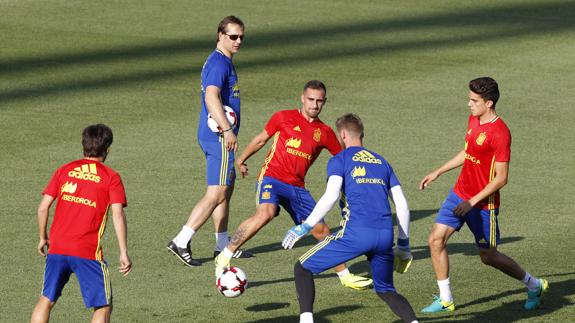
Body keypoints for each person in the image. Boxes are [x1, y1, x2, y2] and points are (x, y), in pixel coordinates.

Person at [215, 80, 373, 290]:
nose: (314, 105)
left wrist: (365, 173)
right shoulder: (283, 117)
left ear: (324, 102)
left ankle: (345, 275)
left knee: (321, 229)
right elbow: (261, 139)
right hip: (271, 178)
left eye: (319, 101)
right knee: (266, 213)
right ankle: (225, 256)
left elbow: (344, 157)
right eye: (310, 100)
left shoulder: (324, 132)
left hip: (297, 188)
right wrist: (241, 159)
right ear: (302, 98)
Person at [419, 77, 548, 313]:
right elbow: (468, 151)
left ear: (488, 103)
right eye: (469, 98)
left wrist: (471, 202)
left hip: (482, 204)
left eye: (473, 100)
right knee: (435, 240)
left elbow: (501, 178)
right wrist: (438, 171)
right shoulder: (474, 119)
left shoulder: (500, 133)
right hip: (460, 193)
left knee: (488, 257)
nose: (469, 104)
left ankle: (534, 284)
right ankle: (446, 298)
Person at [282, 113, 418, 323]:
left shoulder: (340, 159)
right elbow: (402, 206)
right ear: (361, 133)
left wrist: (305, 225)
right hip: (384, 236)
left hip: (356, 234)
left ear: (343, 134)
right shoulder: (382, 162)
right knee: (386, 291)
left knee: (302, 268)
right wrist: (404, 245)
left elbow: (331, 195)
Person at [167, 15, 253, 266]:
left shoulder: (222, 60)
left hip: (214, 136)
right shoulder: (219, 64)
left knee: (225, 189)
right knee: (216, 192)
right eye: (233, 36)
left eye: (241, 37)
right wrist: (227, 130)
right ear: (220, 35)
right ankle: (181, 240)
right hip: (218, 137)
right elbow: (211, 98)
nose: (238, 41)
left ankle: (222, 244)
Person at [30, 124, 131, 323]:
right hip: (87, 251)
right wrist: (123, 252)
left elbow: (43, 208)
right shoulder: (111, 177)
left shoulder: (64, 170)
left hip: (57, 248)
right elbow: (118, 215)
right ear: (107, 149)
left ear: (83, 145)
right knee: (102, 306)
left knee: (46, 299)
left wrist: (43, 238)